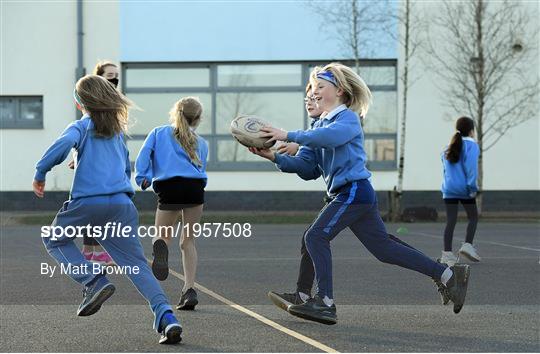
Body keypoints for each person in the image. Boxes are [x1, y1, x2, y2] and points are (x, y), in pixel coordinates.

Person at [250, 63, 470, 324]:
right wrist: (274, 156)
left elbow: (332, 137)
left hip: (354, 191)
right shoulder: (317, 128)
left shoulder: (347, 119)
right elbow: (307, 168)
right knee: (383, 249)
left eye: (320, 86)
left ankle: (325, 302)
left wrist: (290, 135)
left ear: (340, 91)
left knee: (316, 235)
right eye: (311, 87)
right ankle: (446, 275)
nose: (313, 91)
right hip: (349, 195)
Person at [33, 75, 182, 344]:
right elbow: (124, 168)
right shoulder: (115, 133)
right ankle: (166, 316)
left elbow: (63, 145)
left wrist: (41, 171)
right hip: (122, 205)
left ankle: (93, 281)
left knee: (54, 239)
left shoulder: (81, 126)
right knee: (136, 264)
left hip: (88, 202)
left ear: (80, 104)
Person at [135, 97, 208, 311]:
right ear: (197, 119)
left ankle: (161, 248)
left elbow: (143, 156)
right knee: (188, 241)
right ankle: (189, 289)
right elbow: (202, 166)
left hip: (169, 187)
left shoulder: (159, 133)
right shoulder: (201, 142)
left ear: (175, 113)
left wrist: (143, 177)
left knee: (163, 235)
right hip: (195, 188)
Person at [440, 116, 481, 266]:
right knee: (473, 217)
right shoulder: (472, 146)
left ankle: (447, 254)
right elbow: (471, 169)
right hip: (464, 189)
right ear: (471, 131)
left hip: (449, 189)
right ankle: (468, 245)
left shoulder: (448, 147)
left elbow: (445, 168)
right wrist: (472, 188)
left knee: (451, 221)